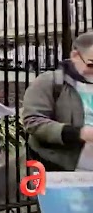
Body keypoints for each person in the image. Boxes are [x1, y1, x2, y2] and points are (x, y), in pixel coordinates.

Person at [22, 32, 93, 171]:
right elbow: (33, 121)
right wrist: (79, 133)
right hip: (63, 169)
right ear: (75, 56)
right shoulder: (50, 82)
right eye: (91, 64)